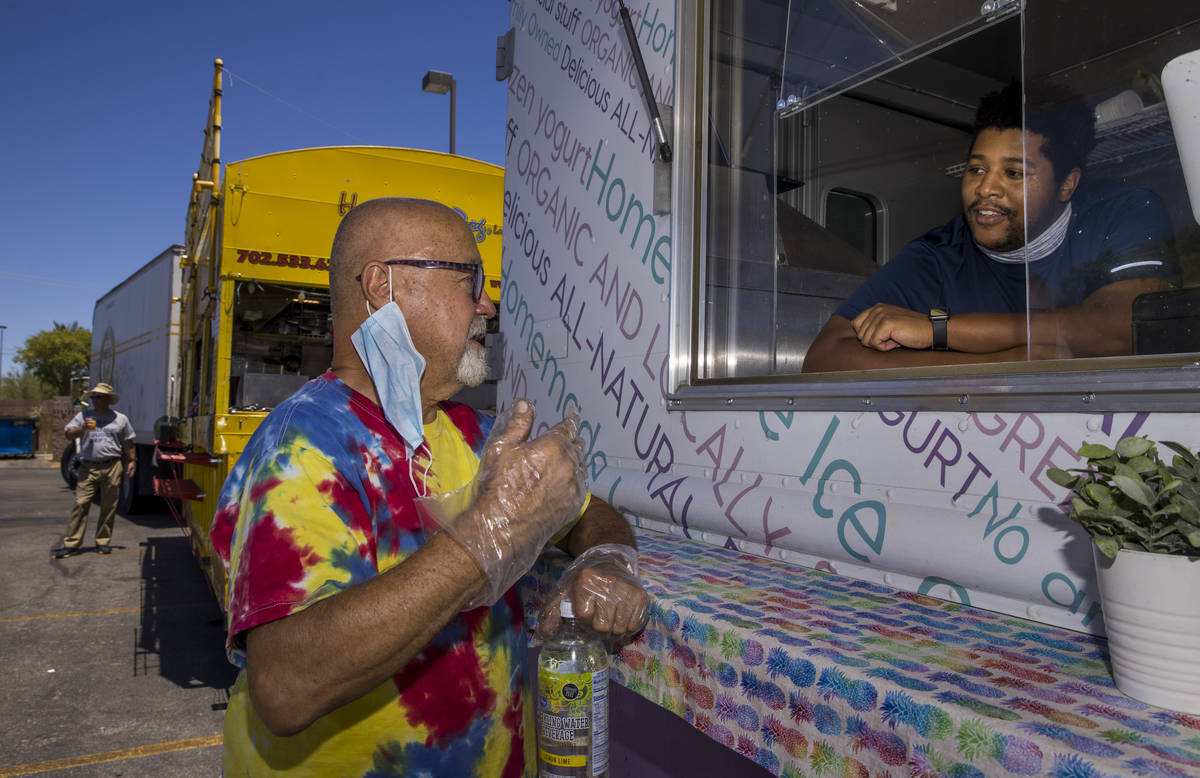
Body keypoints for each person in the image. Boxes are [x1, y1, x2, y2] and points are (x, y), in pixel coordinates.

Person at [211, 197, 649, 776]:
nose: (487, 304)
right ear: (382, 286)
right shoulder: (302, 445)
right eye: (471, 279)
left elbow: (591, 513)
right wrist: (490, 537)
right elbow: (285, 685)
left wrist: (608, 559)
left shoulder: (474, 434)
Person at [802, 82, 1179, 372]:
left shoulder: (1120, 213)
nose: (985, 188)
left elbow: (1120, 329)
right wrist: (1011, 363)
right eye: (976, 169)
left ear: (1067, 184)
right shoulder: (937, 255)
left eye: (1013, 173)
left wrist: (938, 329)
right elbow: (825, 357)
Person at [54, 382, 135, 557]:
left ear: (108, 400)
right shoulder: (84, 416)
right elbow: (68, 434)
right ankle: (72, 543)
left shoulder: (120, 419)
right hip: (88, 467)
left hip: (112, 465)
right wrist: (82, 429)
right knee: (81, 504)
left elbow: (128, 440)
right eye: (93, 397)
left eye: (98, 397)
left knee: (109, 506)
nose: (94, 400)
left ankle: (103, 542)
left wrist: (132, 460)